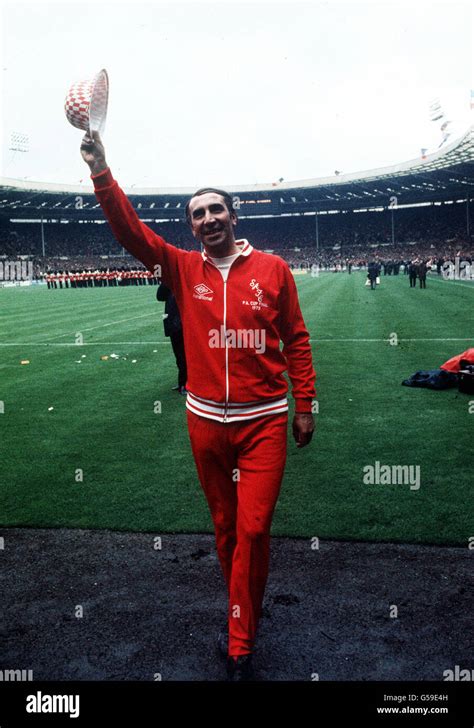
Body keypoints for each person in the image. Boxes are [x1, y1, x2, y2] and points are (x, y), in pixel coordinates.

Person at [80, 131, 316, 682]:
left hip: (262, 424)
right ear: (191, 227)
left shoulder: (274, 270)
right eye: (198, 215)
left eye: (216, 210)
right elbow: (130, 232)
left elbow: (297, 340)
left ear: (234, 217)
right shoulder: (183, 269)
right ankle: (243, 612)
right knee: (226, 530)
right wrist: (100, 170)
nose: (208, 219)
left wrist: (304, 403)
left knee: (254, 531)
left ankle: (240, 642)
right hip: (205, 422)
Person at [156, 281, 187, 394]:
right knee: (179, 355)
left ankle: (184, 383)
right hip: (174, 324)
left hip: (183, 323)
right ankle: (182, 383)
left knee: (184, 356)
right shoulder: (169, 282)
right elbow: (159, 296)